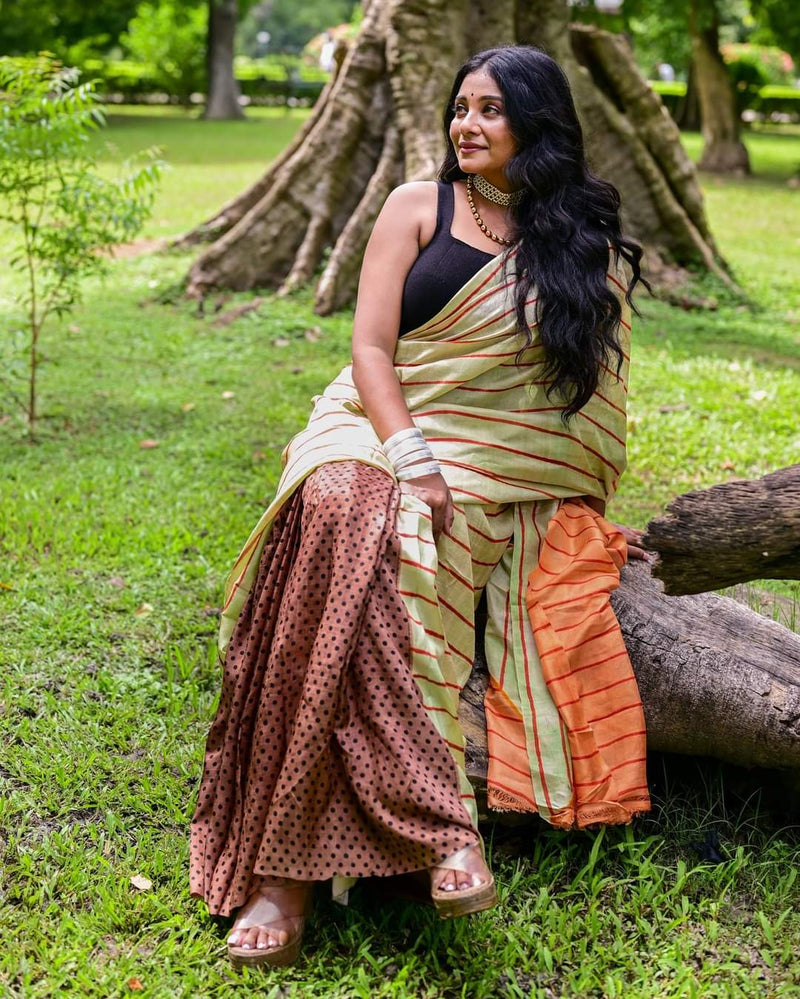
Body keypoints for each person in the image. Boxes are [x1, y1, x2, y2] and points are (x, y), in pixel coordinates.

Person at [190, 44, 653, 970]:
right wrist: (411, 454)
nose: (467, 125)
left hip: (497, 469)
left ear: (540, 125)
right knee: (344, 508)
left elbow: (583, 410)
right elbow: (370, 350)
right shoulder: (417, 207)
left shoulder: (581, 249)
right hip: (378, 423)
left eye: (491, 110)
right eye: (460, 107)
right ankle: (431, 830)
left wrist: (578, 512)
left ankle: (299, 881)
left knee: (401, 553)